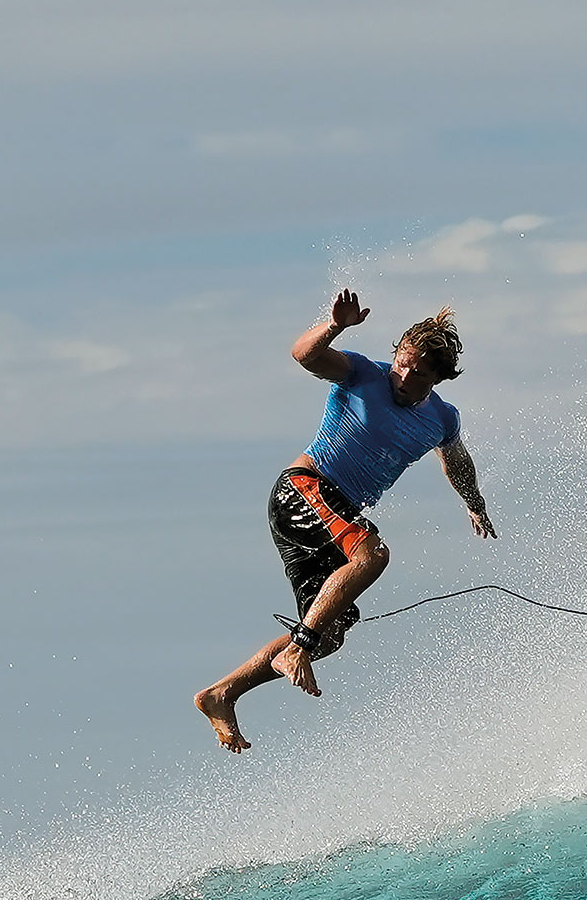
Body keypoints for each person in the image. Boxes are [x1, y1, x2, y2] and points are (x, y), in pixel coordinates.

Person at [195, 289, 496, 752]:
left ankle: (222, 694)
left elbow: (455, 460)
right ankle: (296, 649)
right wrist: (334, 327)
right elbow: (304, 354)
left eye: (417, 373)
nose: (404, 375)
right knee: (371, 555)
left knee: (329, 633)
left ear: (439, 378)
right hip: (305, 488)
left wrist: (473, 501)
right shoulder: (361, 374)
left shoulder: (442, 418)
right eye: (402, 362)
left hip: (335, 513)